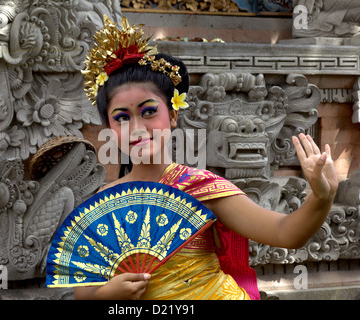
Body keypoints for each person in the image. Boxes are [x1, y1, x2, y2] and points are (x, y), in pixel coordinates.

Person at [73, 16, 338, 300]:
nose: (137, 127)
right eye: (122, 117)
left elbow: (285, 232)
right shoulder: (102, 203)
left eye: (148, 111)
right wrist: (106, 293)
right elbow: (82, 291)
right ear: (111, 130)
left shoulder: (200, 188)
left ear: (173, 114)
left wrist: (321, 197)